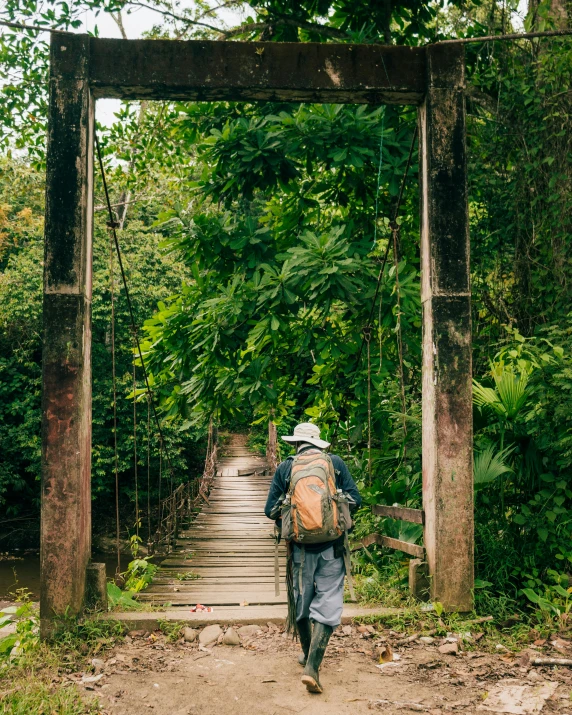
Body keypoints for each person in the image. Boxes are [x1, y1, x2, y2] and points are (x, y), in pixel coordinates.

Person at [264, 422, 361, 694]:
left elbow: (269, 510)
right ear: (318, 443)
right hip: (332, 548)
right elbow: (355, 499)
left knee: (302, 602)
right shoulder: (335, 463)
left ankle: (308, 656)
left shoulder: (286, 468)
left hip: (300, 551)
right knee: (328, 603)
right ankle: (312, 667)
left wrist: (292, 512)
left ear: (296, 443)